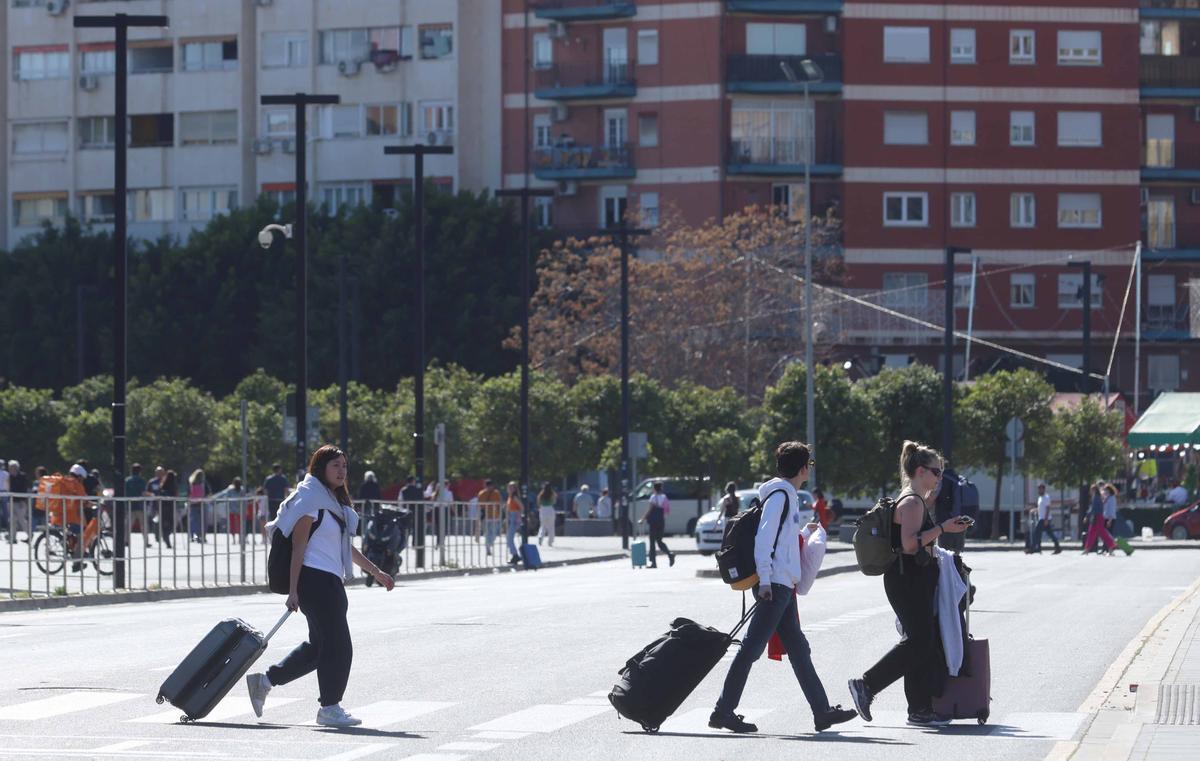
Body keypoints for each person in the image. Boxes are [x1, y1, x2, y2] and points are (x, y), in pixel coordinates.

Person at [710, 441, 857, 734]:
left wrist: (804, 532)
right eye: (809, 466)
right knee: (751, 649)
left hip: (781, 584)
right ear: (803, 468)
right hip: (774, 586)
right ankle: (722, 711)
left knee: (799, 649)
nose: (809, 471)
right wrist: (764, 580)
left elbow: (781, 541)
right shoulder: (782, 495)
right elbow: (764, 540)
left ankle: (822, 712)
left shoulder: (783, 495)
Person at [246, 444, 394, 727]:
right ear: (320, 467)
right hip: (313, 580)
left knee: (320, 648)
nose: (342, 471)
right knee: (340, 647)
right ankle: (330, 707)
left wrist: (376, 572)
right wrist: (293, 590)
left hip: (330, 581)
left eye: (344, 466)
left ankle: (264, 682)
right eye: (335, 465)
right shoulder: (311, 500)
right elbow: (298, 548)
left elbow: (344, 547)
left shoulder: (331, 502)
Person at [847, 440, 970, 728]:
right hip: (907, 577)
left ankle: (920, 708)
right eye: (935, 472)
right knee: (919, 640)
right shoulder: (913, 501)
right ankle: (866, 684)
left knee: (922, 641)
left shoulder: (917, 500)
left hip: (913, 577)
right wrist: (943, 528)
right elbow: (910, 545)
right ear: (919, 471)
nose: (939, 477)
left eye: (940, 472)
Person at [638, 482, 675, 568]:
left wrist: (642, 519)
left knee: (652, 542)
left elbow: (650, 510)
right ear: (661, 488)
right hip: (661, 521)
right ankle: (670, 554)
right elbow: (667, 510)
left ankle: (653, 563)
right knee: (659, 541)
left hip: (653, 522)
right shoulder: (664, 497)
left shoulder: (653, 497)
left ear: (654, 489)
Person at [1082, 483, 1116, 555]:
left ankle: (1110, 547)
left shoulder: (1096, 497)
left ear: (1094, 490)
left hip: (1097, 517)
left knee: (1100, 533)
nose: (1090, 492)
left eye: (1091, 490)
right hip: (1098, 517)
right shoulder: (1098, 497)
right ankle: (1087, 549)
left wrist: (1087, 516)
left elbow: (1093, 509)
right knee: (1093, 533)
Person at [1030, 484, 1062, 554]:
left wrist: (1046, 519)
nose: (1039, 490)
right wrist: (1034, 510)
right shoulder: (1040, 498)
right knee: (1050, 534)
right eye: (1038, 489)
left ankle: (1033, 548)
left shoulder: (1046, 497)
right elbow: (1040, 508)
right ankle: (1058, 548)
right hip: (1042, 518)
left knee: (1036, 533)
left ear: (1044, 489)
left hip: (1044, 519)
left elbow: (1048, 508)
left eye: (1040, 489)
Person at [477, 480, 502, 556]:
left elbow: (499, 503)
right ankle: (488, 548)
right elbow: (479, 505)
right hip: (486, 516)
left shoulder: (496, 493)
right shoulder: (482, 493)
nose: (490, 487)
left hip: (495, 515)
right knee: (487, 532)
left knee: (494, 532)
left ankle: (490, 543)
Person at [7, 461, 29, 544]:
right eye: (10, 468)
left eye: (13, 467)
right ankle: (13, 538)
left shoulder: (22, 476)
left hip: (20, 502)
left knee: (22, 520)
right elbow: (8, 488)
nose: (12, 469)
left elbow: (24, 489)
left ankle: (29, 535)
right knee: (12, 520)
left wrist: (23, 500)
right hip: (12, 501)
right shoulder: (9, 477)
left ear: (17, 468)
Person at [187, 469, 211, 543]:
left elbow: (188, 493)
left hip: (193, 504)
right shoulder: (204, 483)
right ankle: (202, 537)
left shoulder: (191, 483)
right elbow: (208, 493)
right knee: (203, 522)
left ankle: (194, 537)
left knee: (194, 522)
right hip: (202, 503)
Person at [158, 470, 178, 548]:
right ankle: (166, 538)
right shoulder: (173, 486)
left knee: (165, 524)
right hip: (170, 507)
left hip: (163, 507)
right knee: (171, 524)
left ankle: (166, 537)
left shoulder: (163, 485)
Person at [506, 481, 524, 565]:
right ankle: (514, 555)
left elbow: (521, 507)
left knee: (509, 538)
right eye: (509, 487)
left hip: (514, 517)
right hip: (511, 517)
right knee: (509, 538)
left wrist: (518, 516)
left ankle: (515, 555)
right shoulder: (510, 497)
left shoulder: (514, 497)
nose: (510, 488)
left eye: (512, 487)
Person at [537, 482, 558, 547]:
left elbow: (538, 502)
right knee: (551, 527)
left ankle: (540, 536)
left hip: (543, 509)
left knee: (543, 525)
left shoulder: (541, 494)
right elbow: (554, 501)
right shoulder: (552, 493)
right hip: (550, 509)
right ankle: (550, 541)